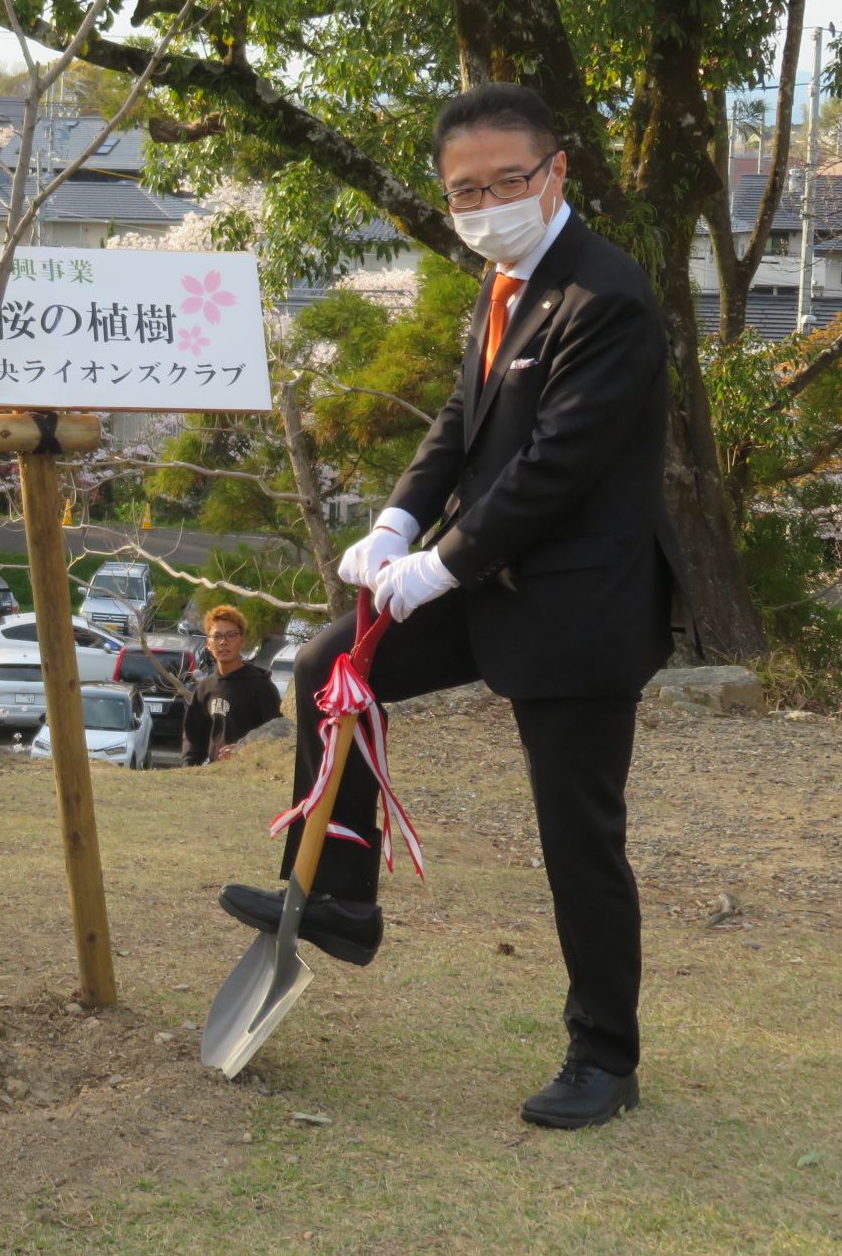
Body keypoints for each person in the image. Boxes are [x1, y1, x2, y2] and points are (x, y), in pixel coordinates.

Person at [218, 84, 678, 1130]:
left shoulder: (607, 298)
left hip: (581, 609)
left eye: (505, 181)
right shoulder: (503, 283)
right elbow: (461, 430)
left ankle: (605, 1055)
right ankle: (342, 894)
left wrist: (442, 561)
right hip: (490, 578)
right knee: (332, 667)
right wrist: (395, 519)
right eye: (464, 189)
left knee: (578, 835)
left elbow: (555, 468)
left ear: (556, 171)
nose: (484, 203)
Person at [180, 605, 282, 765]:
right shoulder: (205, 688)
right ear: (208, 643)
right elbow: (193, 740)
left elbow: (278, 737)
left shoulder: (262, 687)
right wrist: (189, 773)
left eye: (231, 635)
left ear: (242, 641)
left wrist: (245, 749)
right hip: (216, 778)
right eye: (217, 636)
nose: (223, 642)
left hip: (250, 775)